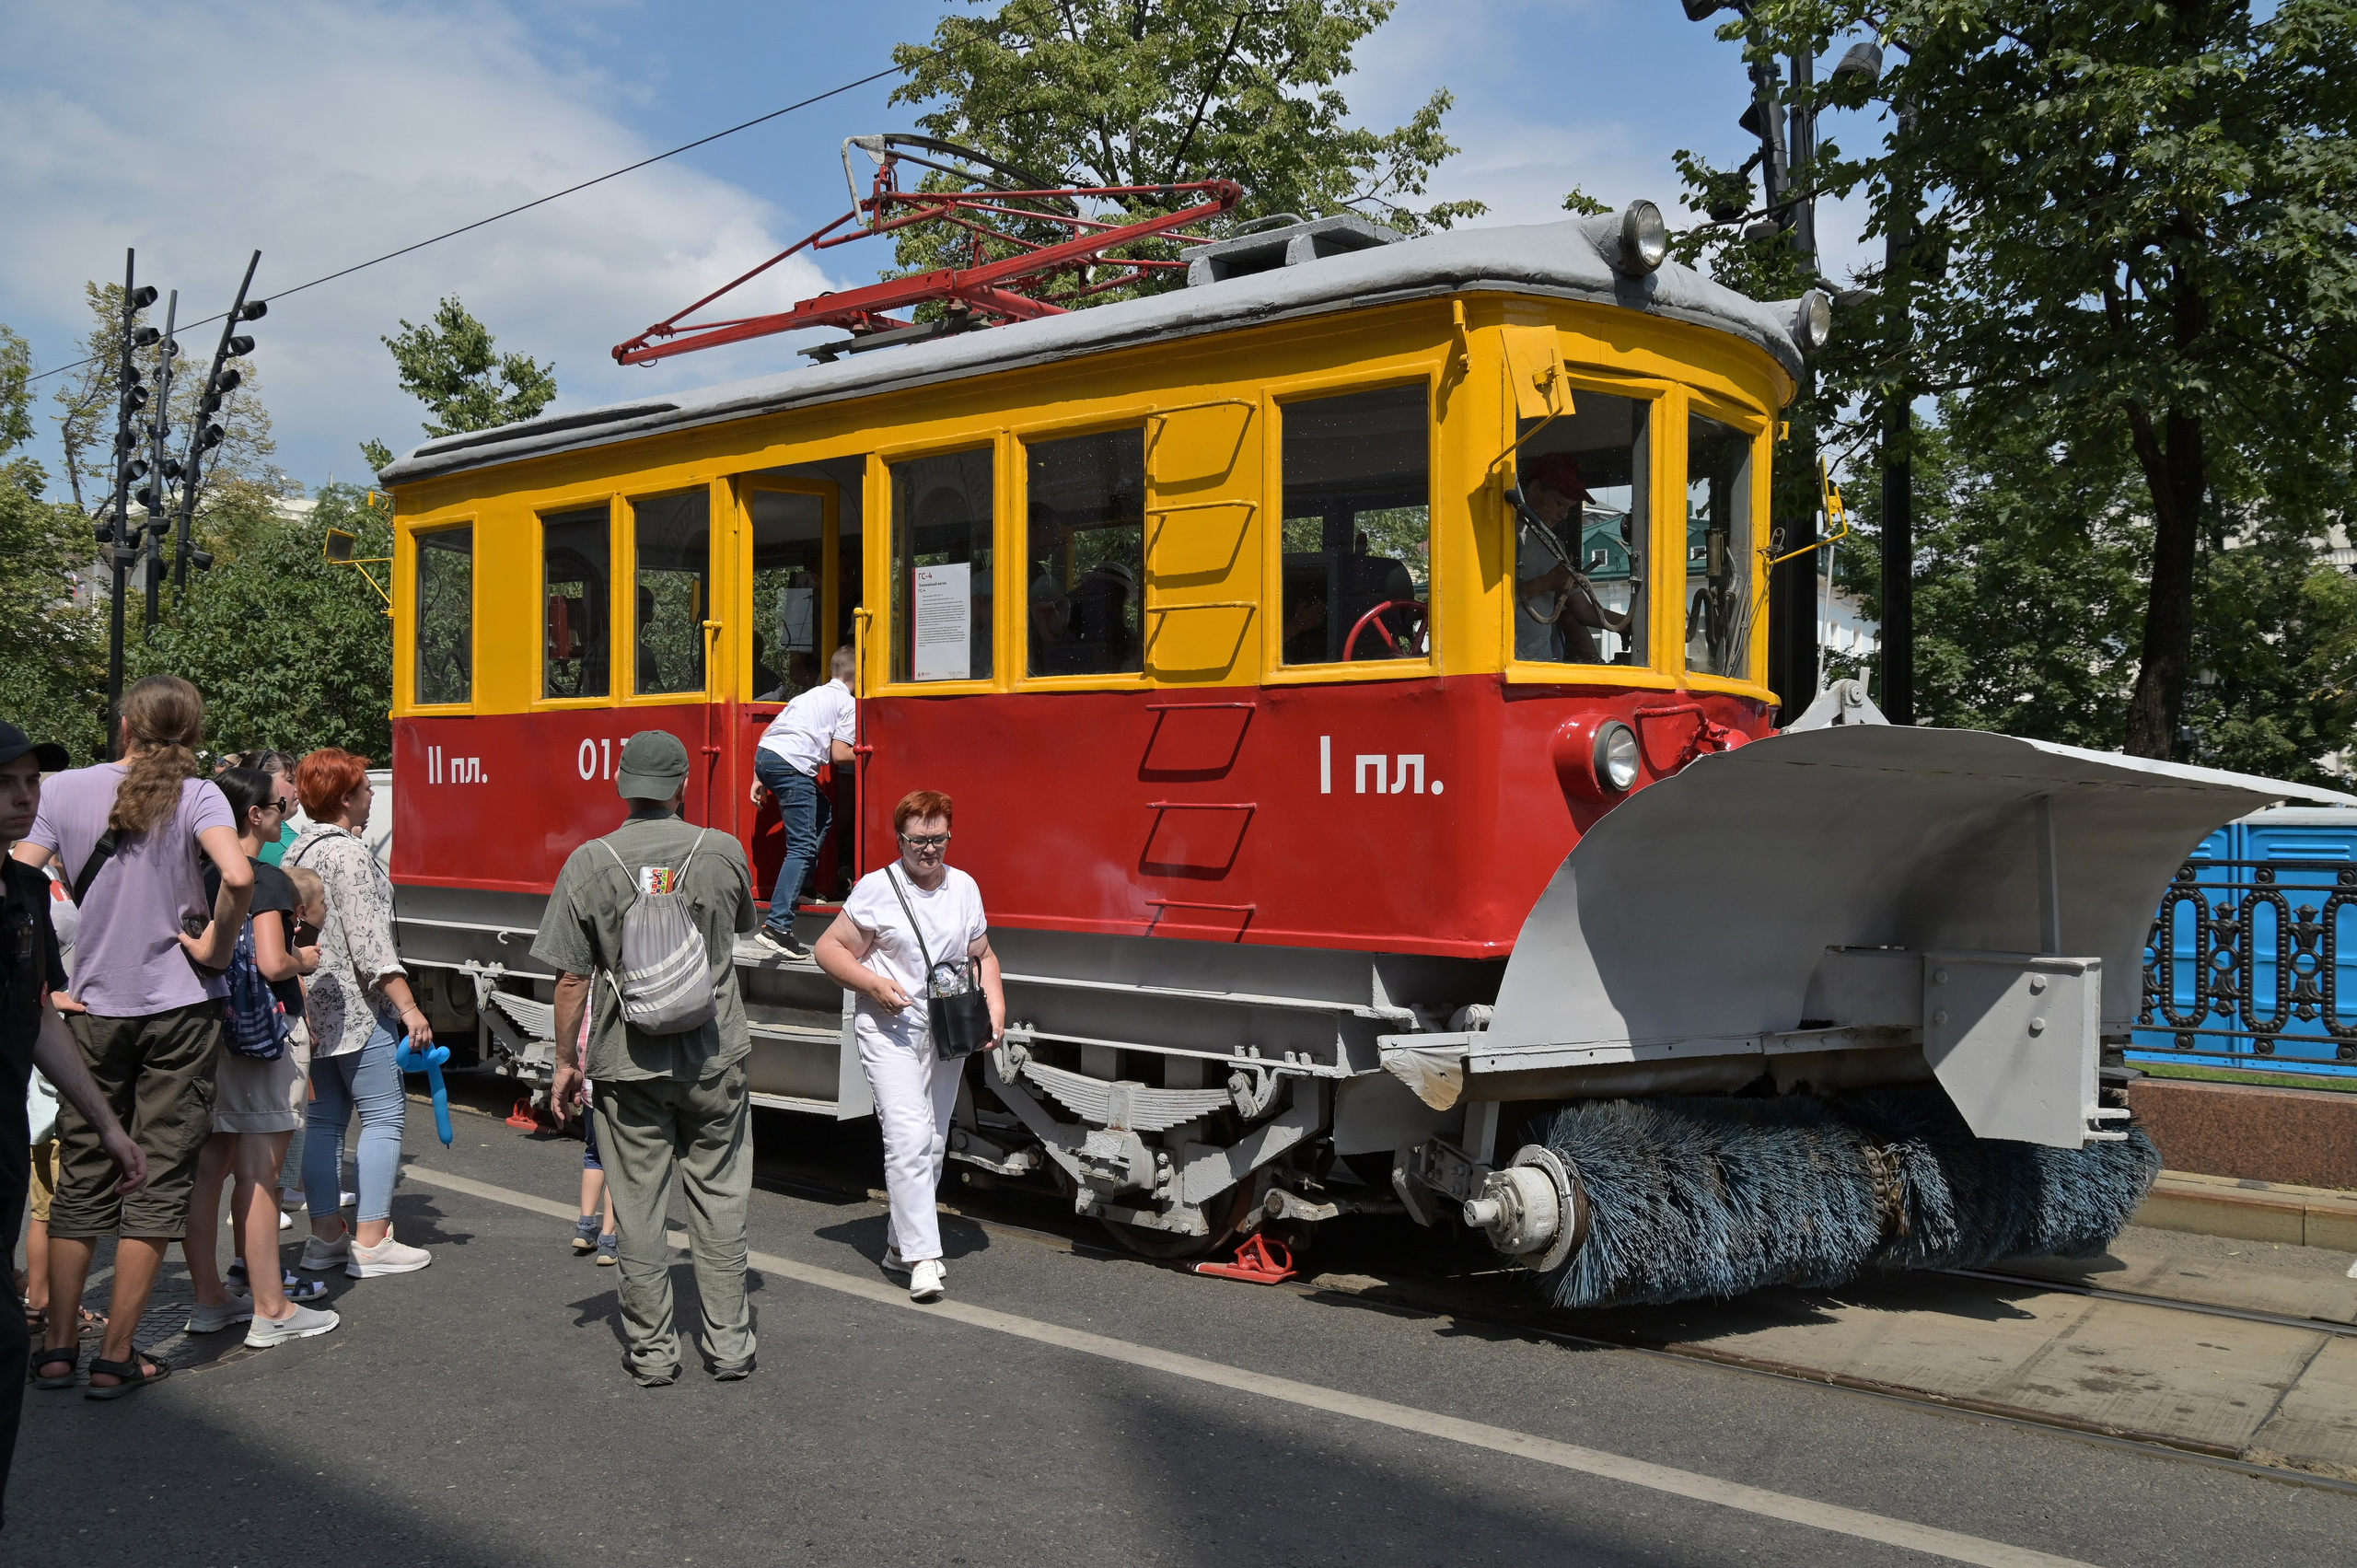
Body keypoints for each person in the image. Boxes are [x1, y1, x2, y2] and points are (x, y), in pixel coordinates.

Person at [11, 676, 250, 1398]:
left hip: (90, 1008)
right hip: (180, 1008)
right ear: (194, 732)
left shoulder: (61, 789)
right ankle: (116, 1356)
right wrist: (215, 949)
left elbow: (18, 878)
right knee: (160, 1174)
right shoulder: (200, 795)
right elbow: (238, 875)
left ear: (125, 727)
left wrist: (40, 979)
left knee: (83, 1169)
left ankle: (58, 1347)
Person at [533, 730, 761, 1386]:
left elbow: (571, 978)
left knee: (636, 1208)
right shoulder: (722, 851)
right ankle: (730, 1346)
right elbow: (741, 930)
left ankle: (655, 1353)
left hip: (626, 1063)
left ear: (623, 786)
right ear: (683, 785)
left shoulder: (588, 862)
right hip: (713, 1057)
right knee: (721, 1201)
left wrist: (566, 1062)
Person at [1, 719, 148, 1480]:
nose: (24, 796)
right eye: (6, 783)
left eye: (32, 782)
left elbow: (38, 1016)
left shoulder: (26, 888)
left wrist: (109, 1126)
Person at [813, 789, 1004, 1304]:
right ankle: (923, 1258)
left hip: (946, 1029)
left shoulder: (964, 887)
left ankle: (900, 1247)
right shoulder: (876, 889)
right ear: (899, 840)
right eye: (919, 840)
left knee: (934, 1142)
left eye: (938, 838)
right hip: (889, 1029)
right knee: (908, 1136)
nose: (929, 849)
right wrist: (872, 984)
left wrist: (996, 1007)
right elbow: (827, 949)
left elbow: (984, 955)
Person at [180, 769, 338, 1347]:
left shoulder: (196, 873)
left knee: (209, 1171)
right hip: (267, 1037)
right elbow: (273, 963)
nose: (285, 814)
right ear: (254, 815)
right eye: (279, 806)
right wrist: (305, 960)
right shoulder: (264, 878)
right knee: (259, 1174)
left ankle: (210, 1300)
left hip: (212, 1033)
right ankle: (273, 1308)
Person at [284, 749, 434, 1279]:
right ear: (346, 798)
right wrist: (409, 1008)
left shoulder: (297, 848)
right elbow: (370, 945)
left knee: (325, 1122)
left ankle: (326, 1236)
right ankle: (372, 1239)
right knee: (384, 1115)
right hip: (358, 1007)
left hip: (312, 1004)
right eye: (366, 788)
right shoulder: (349, 854)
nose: (372, 795)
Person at [749, 644, 857, 960]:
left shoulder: (809, 695)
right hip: (792, 766)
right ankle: (777, 926)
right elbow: (840, 754)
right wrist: (873, 751)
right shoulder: (847, 703)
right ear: (859, 676)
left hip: (767, 757)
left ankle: (804, 886)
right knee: (801, 847)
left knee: (823, 813)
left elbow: (770, 733)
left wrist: (758, 777)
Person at [1515, 451, 1639, 664]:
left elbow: (1585, 611)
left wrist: (1638, 626)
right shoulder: (1504, 538)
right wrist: (1547, 583)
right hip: (1506, 665)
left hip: (1540, 665)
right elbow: (1488, 603)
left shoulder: (1554, 544)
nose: (1564, 515)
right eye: (1559, 504)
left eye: (1569, 508)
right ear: (1535, 489)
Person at [568, 1014, 617, 1265]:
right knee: (619, 1165)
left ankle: (585, 1229)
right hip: (620, 1088)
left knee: (594, 1154)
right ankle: (608, 1239)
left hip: (590, 1087)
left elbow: (578, 1041)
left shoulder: (587, 996)